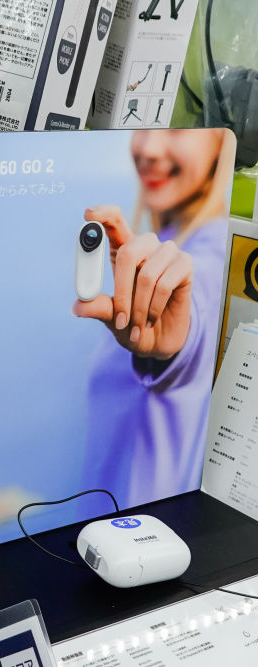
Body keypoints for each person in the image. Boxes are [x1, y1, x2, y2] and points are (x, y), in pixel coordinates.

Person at [74, 128, 235, 508]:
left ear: (220, 141)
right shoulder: (171, 237)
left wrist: (174, 344)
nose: (148, 148)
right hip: (107, 525)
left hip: (139, 528)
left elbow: (197, 311)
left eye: (177, 129)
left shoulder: (214, 252)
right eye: (144, 126)